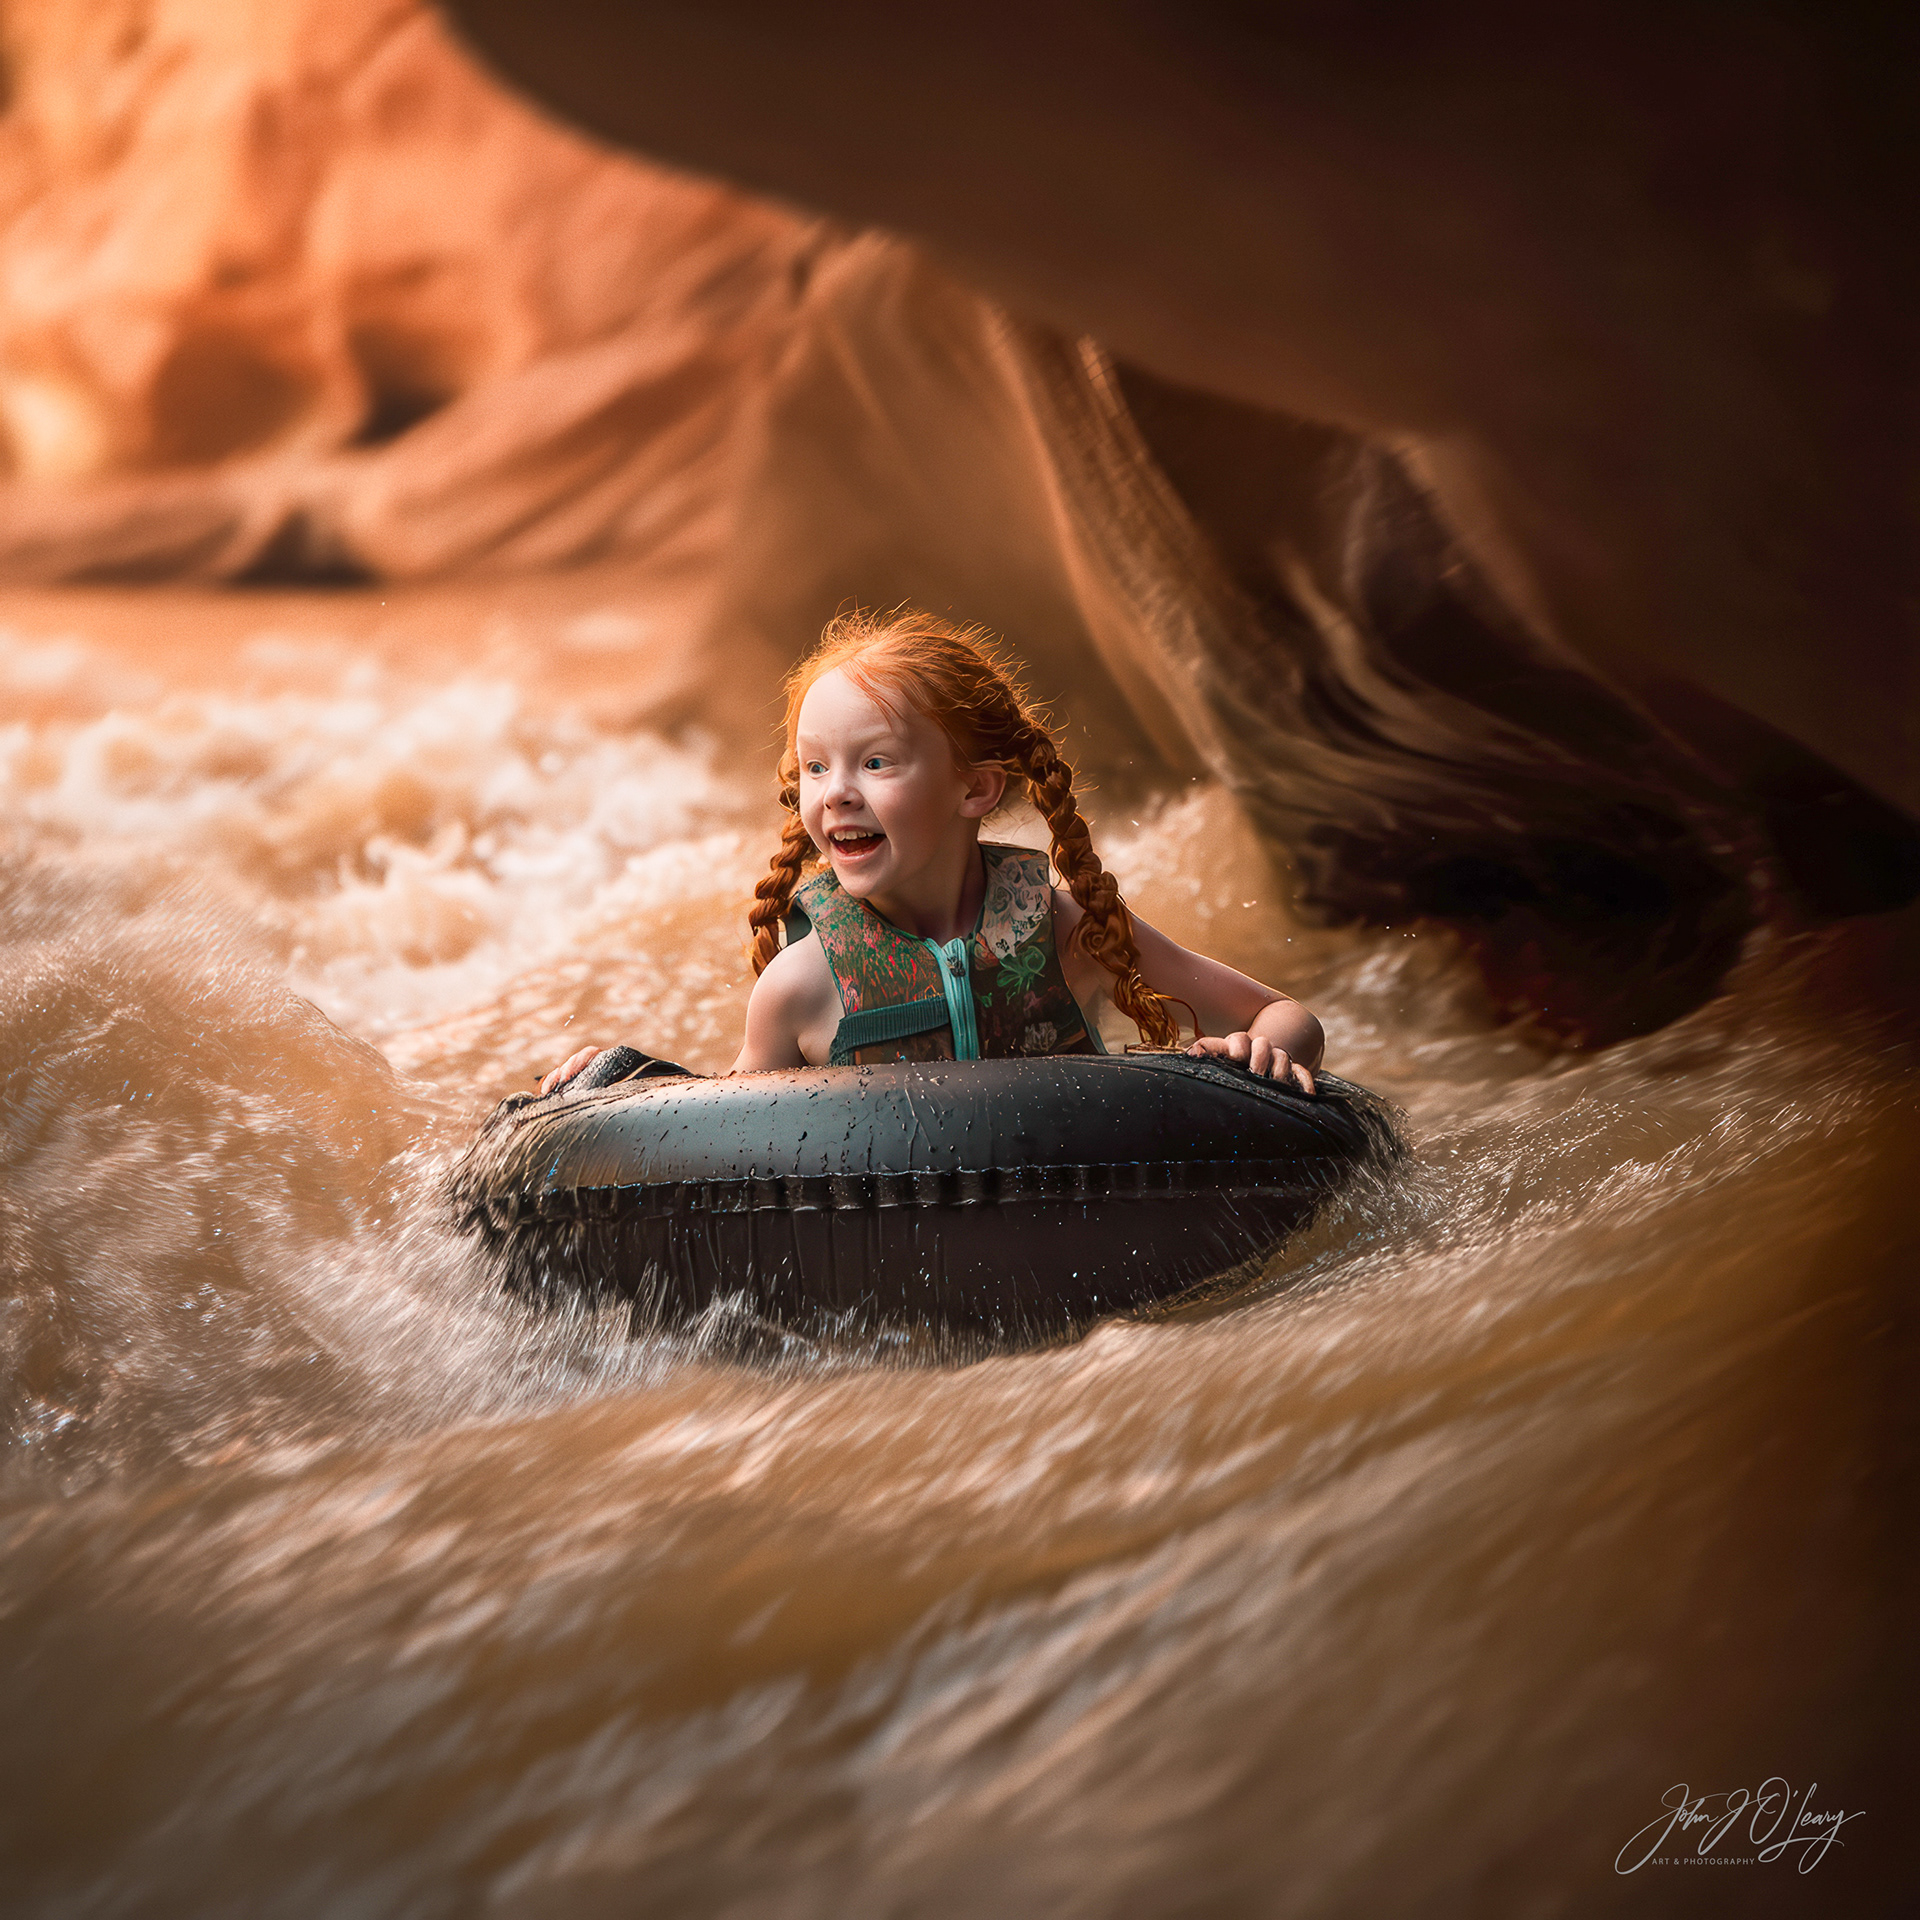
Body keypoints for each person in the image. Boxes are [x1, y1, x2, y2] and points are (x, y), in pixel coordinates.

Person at [540, 608, 1324, 1093]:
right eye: (816, 767)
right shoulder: (800, 988)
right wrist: (626, 1080)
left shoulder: (1061, 929)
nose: (836, 791)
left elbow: (1287, 1015)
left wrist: (1259, 1052)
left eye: (874, 762)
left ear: (975, 791)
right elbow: (726, 1127)